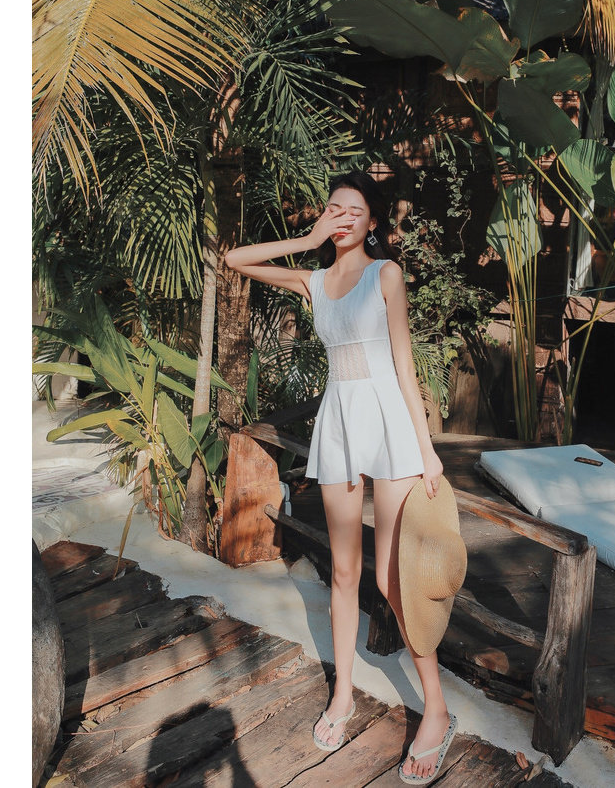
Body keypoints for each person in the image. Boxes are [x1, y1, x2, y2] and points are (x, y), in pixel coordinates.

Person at [224, 170, 457, 783]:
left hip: (391, 422)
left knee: (392, 575)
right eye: (334, 208)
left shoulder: (387, 275)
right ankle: (344, 695)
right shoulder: (314, 281)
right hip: (340, 424)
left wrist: (428, 450)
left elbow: (404, 365)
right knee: (346, 571)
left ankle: (436, 708)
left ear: (373, 221)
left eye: (355, 210)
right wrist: (307, 239)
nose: (343, 217)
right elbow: (234, 259)